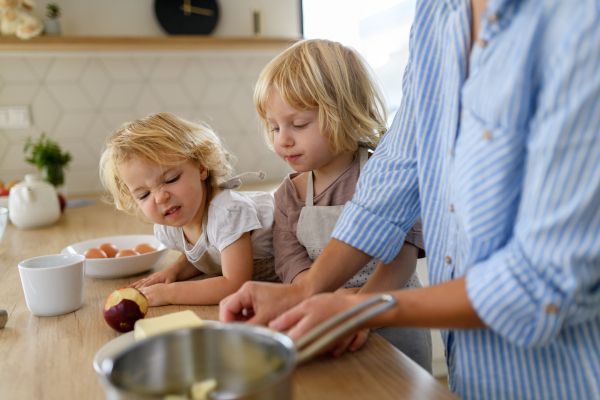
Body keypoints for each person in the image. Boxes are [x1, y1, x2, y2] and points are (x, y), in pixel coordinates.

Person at [220, 1, 600, 399]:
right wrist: (306, 289)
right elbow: (402, 163)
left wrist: (366, 307)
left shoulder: (577, 20)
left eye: (298, 124)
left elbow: (545, 277)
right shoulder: (438, 11)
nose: (284, 137)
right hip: (472, 372)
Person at [253, 39, 431, 370]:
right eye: (274, 127)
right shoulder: (288, 195)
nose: (282, 139)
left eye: (298, 124)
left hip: (392, 319)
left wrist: (360, 311)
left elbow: (401, 257)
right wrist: (322, 302)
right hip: (328, 322)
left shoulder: (386, 176)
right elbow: (290, 262)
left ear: (345, 113)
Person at [100, 113, 279, 307]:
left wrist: (169, 293)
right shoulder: (171, 225)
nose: (160, 198)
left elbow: (234, 285)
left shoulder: (227, 213)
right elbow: (207, 255)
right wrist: (174, 271)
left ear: (201, 167)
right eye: (144, 195)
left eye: (170, 180)